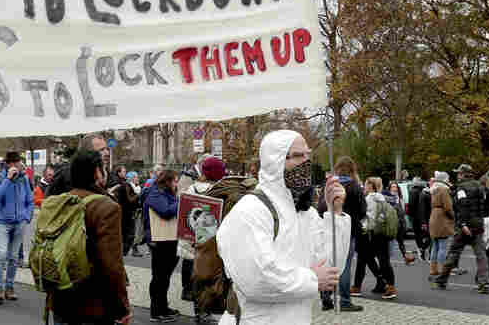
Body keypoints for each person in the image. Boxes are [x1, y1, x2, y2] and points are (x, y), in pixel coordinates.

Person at [216, 130, 349, 325]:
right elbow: (257, 279)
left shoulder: (306, 213)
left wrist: (335, 213)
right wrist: (312, 279)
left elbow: (330, 269)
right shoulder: (251, 210)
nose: (306, 162)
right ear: (275, 161)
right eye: (298, 156)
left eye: (308, 155)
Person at [49, 149, 132, 325]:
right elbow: (112, 263)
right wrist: (122, 306)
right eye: (103, 167)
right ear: (97, 172)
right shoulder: (106, 207)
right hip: (93, 301)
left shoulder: (61, 201)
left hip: (60, 294)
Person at [178, 156, 224, 323]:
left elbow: (184, 216)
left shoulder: (190, 189)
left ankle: (199, 312)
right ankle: (206, 312)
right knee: (210, 278)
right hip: (211, 244)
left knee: (197, 277)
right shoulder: (220, 191)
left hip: (192, 240)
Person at [433, 164, 489, 294]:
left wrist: (463, 224)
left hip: (466, 225)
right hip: (478, 224)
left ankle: (442, 280)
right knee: (481, 255)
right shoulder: (480, 186)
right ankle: (484, 283)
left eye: (459, 173)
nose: (457, 175)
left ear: (463, 174)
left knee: (453, 252)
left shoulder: (461, 188)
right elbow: (488, 202)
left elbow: (463, 206)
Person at [319, 156, 365, 312]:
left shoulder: (330, 185)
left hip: (329, 227)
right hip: (347, 229)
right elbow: (362, 210)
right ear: (352, 169)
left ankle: (325, 296)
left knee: (328, 261)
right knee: (344, 264)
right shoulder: (355, 187)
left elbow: (321, 206)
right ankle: (344, 300)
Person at [0, 151, 34, 305]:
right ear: (10, 164)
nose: (21, 165)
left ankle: (9, 287)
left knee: (14, 257)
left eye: (20, 162)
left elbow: (30, 200)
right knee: (1, 254)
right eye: (18, 162)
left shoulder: (24, 179)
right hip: (3, 221)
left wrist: (27, 217)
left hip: (19, 222)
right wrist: (8, 180)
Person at [144, 169, 181, 323]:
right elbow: (165, 212)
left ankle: (163, 307)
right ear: (167, 181)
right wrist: (181, 201)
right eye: (175, 181)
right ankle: (157, 311)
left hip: (168, 239)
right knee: (159, 277)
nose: (176, 184)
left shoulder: (166, 193)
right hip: (159, 241)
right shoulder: (155, 193)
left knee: (164, 277)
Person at [428, 172, 454, 281]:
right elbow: (448, 207)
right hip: (442, 218)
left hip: (434, 216)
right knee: (443, 246)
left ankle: (433, 269)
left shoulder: (433, 189)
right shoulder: (444, 190)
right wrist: (453, 216)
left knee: (435, 246)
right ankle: (442, 269)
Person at [110, 165, 140, 257]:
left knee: (126, 233)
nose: (125, 173)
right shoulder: (122, 184)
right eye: (123, 171)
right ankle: (123, 251)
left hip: (124, 211)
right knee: (128, 233)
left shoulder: (124, 184)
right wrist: (138, 194)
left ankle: (123, 251)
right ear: (119, 173)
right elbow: (129, 199)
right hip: (125, 212)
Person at [385, 182, 414, 265]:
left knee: (401, 242)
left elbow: (403, 211)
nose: (394, 189)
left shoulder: (400, 198)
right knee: (389, 242)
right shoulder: (388, 198)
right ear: (389, 188)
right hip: (392, 223)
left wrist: (404, 223)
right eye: (392, 187)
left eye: (396, 187)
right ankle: (387, 260)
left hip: (400, 223)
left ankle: (406, 258)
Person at [407, 177, 431, 261]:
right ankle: (423, 248)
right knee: (427, 233)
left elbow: (411, 204)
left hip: (416, 216)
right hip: (425, 215)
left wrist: (410, 214)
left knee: (418, 234)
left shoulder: (413, 191)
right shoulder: (425, 191)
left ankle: (421, 248)